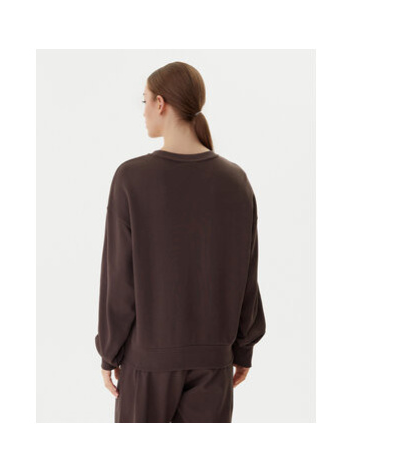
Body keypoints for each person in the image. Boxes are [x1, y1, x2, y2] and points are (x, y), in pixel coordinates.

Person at [95, 61, 266, 423]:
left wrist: (109, 352)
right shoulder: (236, 181)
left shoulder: (131, 179)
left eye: (144, 101)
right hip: (213, 364)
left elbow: (119, 280)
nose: (143, 111)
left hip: (148, 365)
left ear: (161, 103)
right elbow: (247, 277)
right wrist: (243, 348)